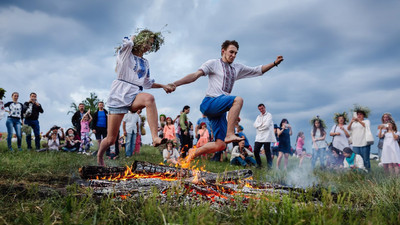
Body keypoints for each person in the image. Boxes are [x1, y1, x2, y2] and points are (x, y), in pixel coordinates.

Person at [170, 40, 283, 164]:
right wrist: (175, 83)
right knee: (238, 100)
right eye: (231, 52)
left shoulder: (237, 68)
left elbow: (257, 70)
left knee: (221, 145)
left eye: (235, 53)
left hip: (220, 110)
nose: (233, 55)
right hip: (210, 102)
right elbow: (195, 75)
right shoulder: (213, 63)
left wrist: (274, 63)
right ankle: (230, 133)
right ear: (223, 51)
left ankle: (191, 154)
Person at [97, 29, 173, 166]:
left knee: (149, 98)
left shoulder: (145, 63)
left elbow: (147, 83)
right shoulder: (126, 54)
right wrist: (134, 38)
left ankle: (155, 138)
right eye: (147, 42)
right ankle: (100, 156)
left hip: (134, 94)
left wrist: (163, 86)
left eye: (151, 44)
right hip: (119, 95)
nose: (148, 46)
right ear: (139, 40)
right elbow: (127, 43)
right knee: (110, 139)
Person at [347, 105, 372, 171]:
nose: (359, 115)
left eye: (360, 114)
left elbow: (365, 126)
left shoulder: (366, 121)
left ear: (363, 115)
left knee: (365, 160)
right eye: (358, 114)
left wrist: (358, 120)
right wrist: (351, 122)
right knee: (357, 159)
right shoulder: (354, 123)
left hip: (364, 144)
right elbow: (348, 128)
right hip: (355, 144)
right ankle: (359, 173)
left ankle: (368, 173)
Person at [253, 103, 276, 168]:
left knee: (267, 151)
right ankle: (259, 165)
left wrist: (259, 126)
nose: (261, 110)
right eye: (260, 109)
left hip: (267, 136)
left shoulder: (269, 115)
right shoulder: (258, 117)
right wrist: (261, 124)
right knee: (256, 151)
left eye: (262, 108)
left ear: (264, 108)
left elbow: (267, 125)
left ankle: (269, 167)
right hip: (259, 136)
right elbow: (254, 125)